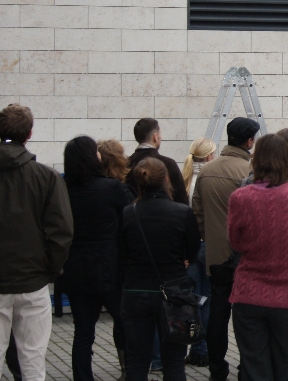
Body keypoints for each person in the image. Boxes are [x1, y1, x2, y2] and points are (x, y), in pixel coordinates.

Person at [0, 104, 74, 381]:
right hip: (33, 280)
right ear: (29, 133)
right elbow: (61, 232)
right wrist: (51, 270)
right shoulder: (46, 177)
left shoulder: (45, 177)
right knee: (32, 360)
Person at [228, 134, 288, 381]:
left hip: (249, 292)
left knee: (254, 365)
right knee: (282, 365)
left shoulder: (241, 197)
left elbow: (236, 243)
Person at [120, 158, 200, 381]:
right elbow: (192, 251)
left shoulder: (129, 213)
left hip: (135, 291)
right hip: (173, 294)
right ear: (166, 180)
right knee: (174, 362)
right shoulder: (182, 212)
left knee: (136, 361)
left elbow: (122, 253)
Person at [192, 116, 260, 381]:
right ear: (249, 141)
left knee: (218, 315)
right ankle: (246, 367)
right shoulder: (250, 172)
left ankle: (217, 368)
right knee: (246, 319)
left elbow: (197, 213)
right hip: (245, 259)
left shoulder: (207, 171)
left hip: (217, 256)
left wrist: (211, 239)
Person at [61, 136, 131, 381]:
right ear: (92, 157)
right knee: (124, 322)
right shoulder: (112, 187)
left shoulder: (64, 190)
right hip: (109, 268)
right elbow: (129, 222)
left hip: (76, 269)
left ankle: (82, 377)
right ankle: (130, 372)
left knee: (83, 331)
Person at [178, 138, 216, 368]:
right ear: (210, 156)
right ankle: (204, 349)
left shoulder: (185, 180)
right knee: (208, 300)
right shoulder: (208, 179)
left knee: (193, 301)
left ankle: (196, 347)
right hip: (207, 244)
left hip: (189, 249)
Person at [125, 118, 187, 204]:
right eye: (160, 134)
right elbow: (181, 199)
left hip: (133, 215)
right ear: (155, 137)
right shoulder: (168, 164)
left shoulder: (125, 164)